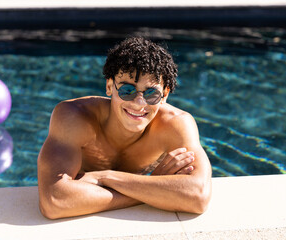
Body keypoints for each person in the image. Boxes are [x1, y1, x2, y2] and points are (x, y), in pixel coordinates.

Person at [37, 37, 212, 219]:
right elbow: (54, 201)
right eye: (127, 90)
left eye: (151, 93)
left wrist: (105, 177)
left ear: (165, 94)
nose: (139, 103)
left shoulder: (176, 124)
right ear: (110, 86)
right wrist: (153, 187)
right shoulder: (74, 117)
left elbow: (198, 197)